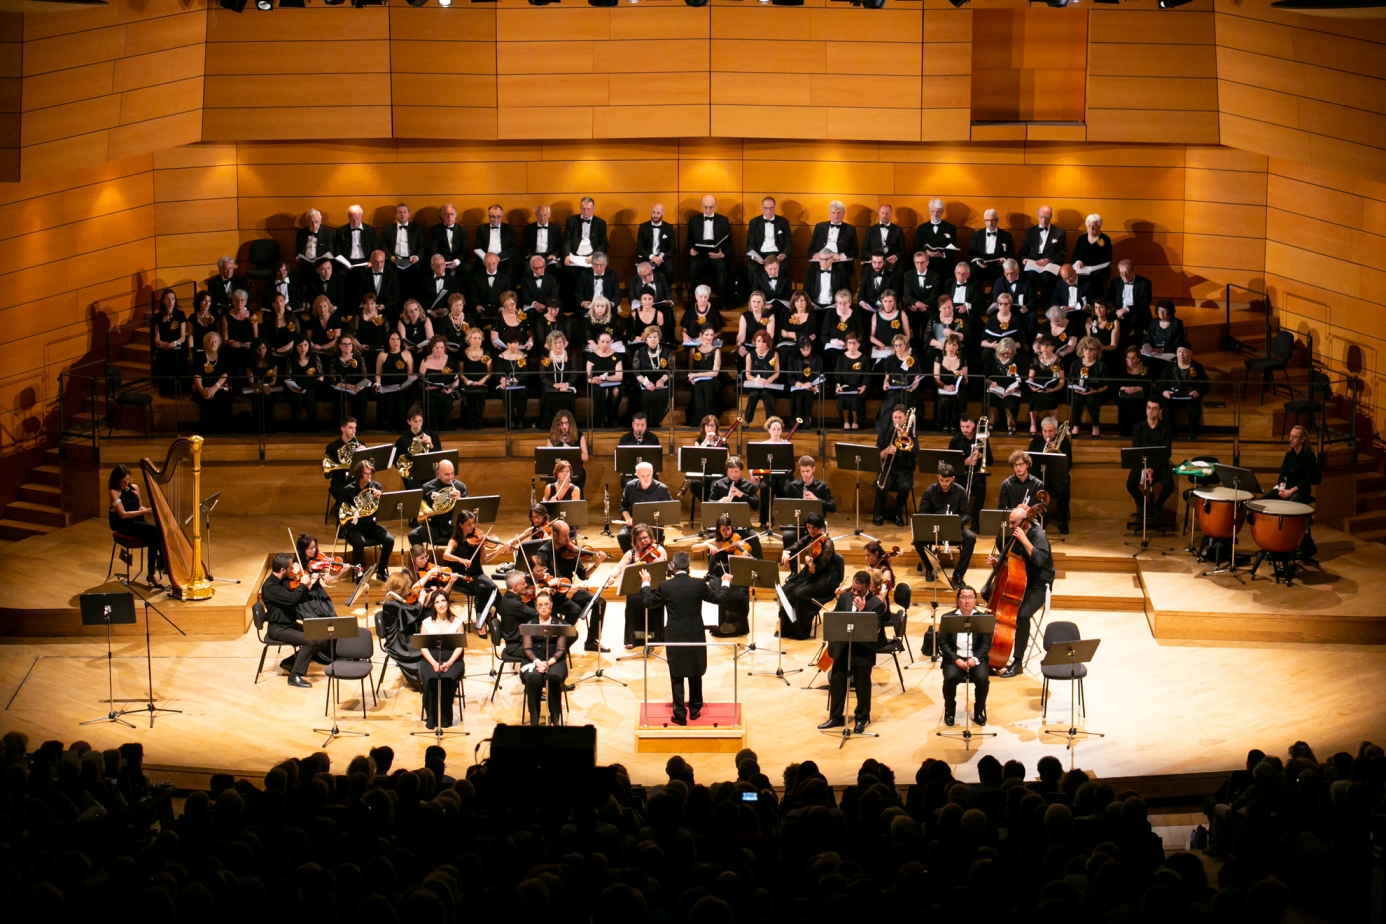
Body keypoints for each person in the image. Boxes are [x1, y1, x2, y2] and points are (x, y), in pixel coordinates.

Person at [640, 551, 730, 726]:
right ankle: (695, 709)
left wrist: (645, 584)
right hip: (695, 632)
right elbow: (719, 598)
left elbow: (647, 602)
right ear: (688, 567)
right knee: (695, 670)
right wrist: (725, 582)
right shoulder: (698, 584)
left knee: (676, 673)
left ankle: (679, 713)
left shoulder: (666, 586)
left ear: (673, 566)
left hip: (674, 634)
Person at [985, 505, 1053, 678]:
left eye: (1013, 523)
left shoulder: (1039, 536)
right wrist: (997, 562)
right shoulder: (1015, 532)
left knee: (1022, 616)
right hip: (1019, 581)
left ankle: (1017, 662)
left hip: (1038, 585)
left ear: (1025, 522)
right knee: (988, 594)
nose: (1010, 526)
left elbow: (1039, 561)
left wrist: (1024, 540)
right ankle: (991, 650)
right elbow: (1010, 557)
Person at [817, 569, 884, 736]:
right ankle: (835, 716)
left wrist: (863, 610)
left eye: (859, 591)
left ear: (868, 587)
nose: (855, 593)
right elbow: (837, 619)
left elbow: (875, 629)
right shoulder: (845, 598)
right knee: (838, 681)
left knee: (862, 686)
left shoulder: (876, 604)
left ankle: (861, 718)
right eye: (853, 589)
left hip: (863, 652)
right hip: (843, 648)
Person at [531, 519, 608, 651]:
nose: (569, 538)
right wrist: (555, 584)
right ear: (555, 535)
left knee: (599, 602)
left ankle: (591, 641)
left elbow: (583, 575)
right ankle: (559, 640)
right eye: (565, 536)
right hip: (554, 594)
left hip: (569, 590)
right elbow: (542, 580)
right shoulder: (544, 552)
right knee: (575, 610)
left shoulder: (570, 550)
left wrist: (596, 564)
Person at [260, 552, 333, 689]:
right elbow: (292, 599)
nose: (293, 571)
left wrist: (310, 584)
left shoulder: (284, 581)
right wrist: (303, 585)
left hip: (290, 625)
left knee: (322, 636)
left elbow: (298, 599)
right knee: (310, 640)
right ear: (282, 570)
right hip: (278, 628)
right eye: (290, 568)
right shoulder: (270, 587)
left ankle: (290, 662)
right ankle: (295, 676)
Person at [691, 513, 758, 638]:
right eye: (723, 530)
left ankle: (739, 626)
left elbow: (748, 559)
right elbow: (693, 548)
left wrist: (744, 556)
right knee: (720, 595)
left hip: (735, 573)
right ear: (718, 531)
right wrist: (707, 545)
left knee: (740, 595)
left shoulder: (738, 540)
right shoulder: (716, 542)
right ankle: (720, 627)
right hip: (719, 575)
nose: (727, 533)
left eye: (728, 529)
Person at [1263, 425, 1322, 560]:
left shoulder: (1309, 456)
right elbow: (1282, 473)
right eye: (1290, 436)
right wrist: (1282, 488)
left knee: (1288, 509)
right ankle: (1271, 540)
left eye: (1294, 437)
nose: (1291, 439)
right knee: (1263, 501)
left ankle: (1288, 544)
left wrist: (1290, 492)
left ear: (1302, 439)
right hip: (1286, 488)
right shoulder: (1289, 454)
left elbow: (1306, 480)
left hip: (1300, 490)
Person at [915, 462, 976, 589]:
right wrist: (933, 522)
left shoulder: (960, 491)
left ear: (953, 479)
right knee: (917, 540)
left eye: (947, 480)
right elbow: (922, 514)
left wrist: (954, 524)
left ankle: (958, 575)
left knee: (970, 538)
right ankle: (931, 569)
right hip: (934, 529)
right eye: (942, 480)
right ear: (938, 477)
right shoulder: (929, 491)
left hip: (954, 528)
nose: (944, 483)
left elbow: (966, 514)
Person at [441, 510, 505, 628]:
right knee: (482, 588)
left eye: (473, 523)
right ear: (461, 525)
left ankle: (505, 617)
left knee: (493, 588)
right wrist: (461, 560)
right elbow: (445, 555)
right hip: (462, 577)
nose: (472, 527)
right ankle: (481, 622)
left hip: (477, 574)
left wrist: (500, 550)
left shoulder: (477, 540)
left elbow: (486, 558)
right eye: (469, 524)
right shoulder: (454, 541)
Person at [780, 512, 836, 641]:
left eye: (814, 528)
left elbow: (821, 565)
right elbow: (795, 546)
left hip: (823, 577)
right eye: (809, 527)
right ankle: (788, 628)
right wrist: (786, 551)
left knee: (800, 593)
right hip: (809, 573)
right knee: (786, 590)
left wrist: (811, 563)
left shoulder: (827, 543)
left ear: (820, 527)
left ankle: (800, 630)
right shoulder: (809, 538)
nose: (811, 530)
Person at [940, 585, 991, 726]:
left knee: (982, 679)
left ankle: (979, 710)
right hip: (954, 659)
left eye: (970, 597)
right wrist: (956, 659)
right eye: (963, 597)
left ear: (975, 600)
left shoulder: (982, 618)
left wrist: (974, 659)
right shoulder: (948, 618)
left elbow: (986, 644)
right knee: (950, 678)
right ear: (958, 600)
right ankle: (950, 711)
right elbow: (943, 643)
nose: (967, 601)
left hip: (976, 659)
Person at [334, 459, 393, 581]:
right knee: (359, 542)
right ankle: (360, 574)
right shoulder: (348, 490)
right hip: (355, 526)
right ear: (359, 474)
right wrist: (354, 511)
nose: (369, 476)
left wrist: (381, 498)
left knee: (389, 540)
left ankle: (381, 571)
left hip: (371, 524)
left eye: (370, 473)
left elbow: (383, 510)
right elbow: (341, 510)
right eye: (366, 474)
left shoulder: (376, 487)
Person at [108, 464, 165, 588]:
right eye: (123, 482)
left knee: (155, 535)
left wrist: (149, 510)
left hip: (139, 522)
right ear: (117, 481)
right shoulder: (114, 492)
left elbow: (139, 506)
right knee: (156, 531)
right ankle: (161, 564)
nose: (127, 484)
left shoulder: (135, 488)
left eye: (128, 480)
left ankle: (152, 573)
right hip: (126, 525)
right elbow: (123, 514)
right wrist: (144, 511)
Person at [417, 589, 465, 729]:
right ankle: (431, 718)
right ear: (433, 605)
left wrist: (449, 663)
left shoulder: (458, 622)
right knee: (431, 680)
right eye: (437, 602)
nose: (441, 604)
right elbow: (423, 647)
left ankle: (445, 718)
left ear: (448, 602)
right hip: (430, 658)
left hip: (453, 659)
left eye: (443, 600)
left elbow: (459, 647)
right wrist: (433, 663)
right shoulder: (426, 623)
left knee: (447, 680)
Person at [520, 591, 569, 726]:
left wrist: (549, 663)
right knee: (534, 679)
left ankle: (554, 720)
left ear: (551, 605)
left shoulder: (559, 624)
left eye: (546, 604)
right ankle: (534, 723)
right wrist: (537, 662)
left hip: (554, 661)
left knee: (553, 678)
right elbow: (527, 648)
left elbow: (561, 649)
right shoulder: (529, 624)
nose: (543, 607)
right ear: (536, 606)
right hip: (533, 660)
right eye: (540, 605)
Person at [617, 523, 666, 649]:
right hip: (636, 588)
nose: (643, 541)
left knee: (656, 600)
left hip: (654, 587)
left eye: (645, 538)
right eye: (640, 539)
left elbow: (663, 569)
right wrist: (612, 577)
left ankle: (655, 637)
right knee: (632, 599)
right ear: (635, 541)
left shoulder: (659, 550)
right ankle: (632, 638)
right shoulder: (631, 553)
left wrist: (658, 563)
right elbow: (619, 567)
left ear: (650, 537)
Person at [1127, 399, 1175, 524]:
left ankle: (1158, 506)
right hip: (1142, 464)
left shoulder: (1166, 428)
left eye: (1154, 408)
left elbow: (1166, 452)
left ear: (1160, 411)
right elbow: (1136, 450)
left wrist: (1152, 468)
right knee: (1130, 484)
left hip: (1159, 464)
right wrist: (1145, 468)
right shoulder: (1138, 427)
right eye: (1148, 407)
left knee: (1169, 484)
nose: (1150, 411)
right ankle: (1144, 507)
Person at [780, 455, 836, 557]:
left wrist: (816, 500)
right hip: (798, 522)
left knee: (820, 540)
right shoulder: (794, 486)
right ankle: (794, 570)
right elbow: (788, 507)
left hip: (816, 524)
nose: (805, 474)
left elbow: (832, 507)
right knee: (787, 536)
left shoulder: (822, 486)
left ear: (813, 469)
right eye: (802, 471)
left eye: (808, 471)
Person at [1026, 417, 1072, 534]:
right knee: (1034, 487)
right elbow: (1029, 463)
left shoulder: (1064, 443)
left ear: (1056, 431)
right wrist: (1043, 455)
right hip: (1040, 478)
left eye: (1050, 431)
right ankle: (1040, 519)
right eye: (1045, 431)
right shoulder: (1035, 442)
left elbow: (1069, 463)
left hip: (1057, 478)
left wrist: (1056, 451)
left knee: (1064, 490)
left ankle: (1062, 522)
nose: (1047, 434)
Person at [618, 462, 673, 553]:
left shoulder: (661, 489)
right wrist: (628, 518)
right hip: (634, 525)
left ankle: (648, 560)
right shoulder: (630, 487)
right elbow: (623, 506)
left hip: (654, 526)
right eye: (643, 476)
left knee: (645, 538)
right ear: (637, 475)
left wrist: (658, 519)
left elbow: (669, 508)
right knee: (622, 536)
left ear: (652, 473)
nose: (646, 478)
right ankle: (632, 559)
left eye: (648, 475)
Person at [874, 404, 916, 527]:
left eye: (900, 417)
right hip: (888, 468)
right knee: (881, 486)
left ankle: (898, 514)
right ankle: (879, 514)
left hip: (905, 470)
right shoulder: (885, 432)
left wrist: (905, 437)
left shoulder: (911, 433)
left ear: (906, 417)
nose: (897, 421)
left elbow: (915, 452)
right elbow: (878, 454)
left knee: (905, 487)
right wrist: (885, 452)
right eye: (895, 417)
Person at [1159, 343, 1210, 439]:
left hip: (1190, 397)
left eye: (1185, 352)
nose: (1181, 355)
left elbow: (1205, 387)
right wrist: (1164, 392)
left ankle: (1192, 433)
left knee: (1193, 408)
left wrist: (1197, 392)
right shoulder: (1170, 367)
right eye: (1179, 351)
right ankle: (1171, 432)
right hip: (1173, 396)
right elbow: (1161, 385)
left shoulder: (1197, 367)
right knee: (1166, 406)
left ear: (1191, 353)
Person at [410, 458, 465, 548]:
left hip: (454, 526)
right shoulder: (427, 487)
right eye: (446, 474)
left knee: (466, 534)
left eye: (452, 473)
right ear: (438, 473)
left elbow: (468, 512)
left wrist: (460, 499)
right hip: (435, 525)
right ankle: (423, 560)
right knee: (413, 535)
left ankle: (457, 561)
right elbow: (420, 508)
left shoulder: (460, 487)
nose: (450, 477)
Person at [950, 413, 994, 518]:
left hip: (977, 476)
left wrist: (980, 455)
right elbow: (950, 462)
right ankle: (955, 517)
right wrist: (965, 462)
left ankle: (976, 520)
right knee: (953, 485)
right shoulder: (955, 440)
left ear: (974, 425)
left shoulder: (982, 439)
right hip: (960, 476)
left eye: (968, 427)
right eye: (962, 427)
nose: (965, 430)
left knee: (981, 487)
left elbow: (991, 461)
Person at [630, 325, 671, 428]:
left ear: (659, 338)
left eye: (655, 337)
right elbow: (637, 372)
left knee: (662, 393)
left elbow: (669, 371)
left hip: (661, 381)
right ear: (646, 339)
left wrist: (661, 380)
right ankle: (645, 423)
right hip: (643, 381)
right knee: (645, 395)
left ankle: (658, 422)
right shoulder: (639, 352)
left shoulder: (666, 352)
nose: (652, 339)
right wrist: (646, 383)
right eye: (650, 337)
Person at [192, 331, 232, 434]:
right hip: (203, 388)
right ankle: (208, 431)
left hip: (218, 387)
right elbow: (197, 374)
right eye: (210, 341)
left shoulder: (223, 355)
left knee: (223, 398)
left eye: (215, 341)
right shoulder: (199, 356)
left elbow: (225, 374)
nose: (213, 344)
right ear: (205, 343)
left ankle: (223, 430)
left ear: (219, 343)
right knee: (207, 399)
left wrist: (214, 388)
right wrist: (201, 389)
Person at [393, 406, 440, 492]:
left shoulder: (432, 435)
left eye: (420, 421)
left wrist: (431, 445)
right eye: (415, 421)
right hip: (412, 477)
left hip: (429, 474)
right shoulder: (402, 441)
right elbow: (398, 463)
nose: (418, 425)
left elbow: (439, 457)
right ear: (409, 421)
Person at [151, 289, 188, 395]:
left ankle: (176, 389)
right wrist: (161, 343)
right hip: (163, 346)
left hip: (176, 345)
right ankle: (164, 389)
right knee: (162, 356)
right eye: (168, 299)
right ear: (163, 301)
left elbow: (182, 337)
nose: (171, 301)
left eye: (173, 299)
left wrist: (173, 344)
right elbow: (156, 337)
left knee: (175, 354)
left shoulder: (180, 314)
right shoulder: (158, 317)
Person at [545, 409, 589, 494]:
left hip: (574, 471)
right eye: (561, 423)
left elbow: (585, 457)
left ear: (570, 424)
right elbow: (549, 458)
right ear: (557, 425)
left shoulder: (578, 436)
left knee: (577, 476)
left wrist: (571, 452)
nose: (564, 426)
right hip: (558, 472)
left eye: (566, 423)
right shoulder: (552, 438)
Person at [586, 331, 623, 429]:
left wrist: (605, 378)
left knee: (616, 391)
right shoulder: (591, 357)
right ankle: (601, 420)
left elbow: (619, 376)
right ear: (598, 342)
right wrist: (593, 380)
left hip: (612, 382)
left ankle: (612, 419)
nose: (605, 344)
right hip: (597, 384)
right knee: (603, 392)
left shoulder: (617, 356)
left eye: (607, 342)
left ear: (611, 342)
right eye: (602, 342)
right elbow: (588, 377)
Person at [742, 329, 780, 425]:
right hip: (755, 384)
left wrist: (769, 380)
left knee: (766, 394)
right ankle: (747, 420)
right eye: (759, 341)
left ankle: (770, 421)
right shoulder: (750, 355)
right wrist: (757, 380)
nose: (761, 344)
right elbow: (747, 374)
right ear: (755, 342)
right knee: (754, 394)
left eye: (764, 341)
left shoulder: (774, 354)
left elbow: (777, 372)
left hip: (769, 384)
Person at [496, 572, 536, 660]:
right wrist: (539, 596)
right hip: (516, 646)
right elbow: (536, 614)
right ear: (515, 586)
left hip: (522, 641)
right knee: (549, 649)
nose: (526, 585)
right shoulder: (512, 603)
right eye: (523, 583)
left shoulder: (508, 597)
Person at [834, 332, 868, 430]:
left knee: (856, 399)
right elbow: (837, 375)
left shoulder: (864, 358)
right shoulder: (841, 358)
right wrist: (838, 386)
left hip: (858, 386)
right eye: (849, 343)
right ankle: (846, 421)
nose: (852, 345)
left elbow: (866, 376)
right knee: (842, 397)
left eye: (854, 343)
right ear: (846, 344)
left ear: (858, 344)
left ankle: (855, 421)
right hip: (844, 386)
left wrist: (864, 386)